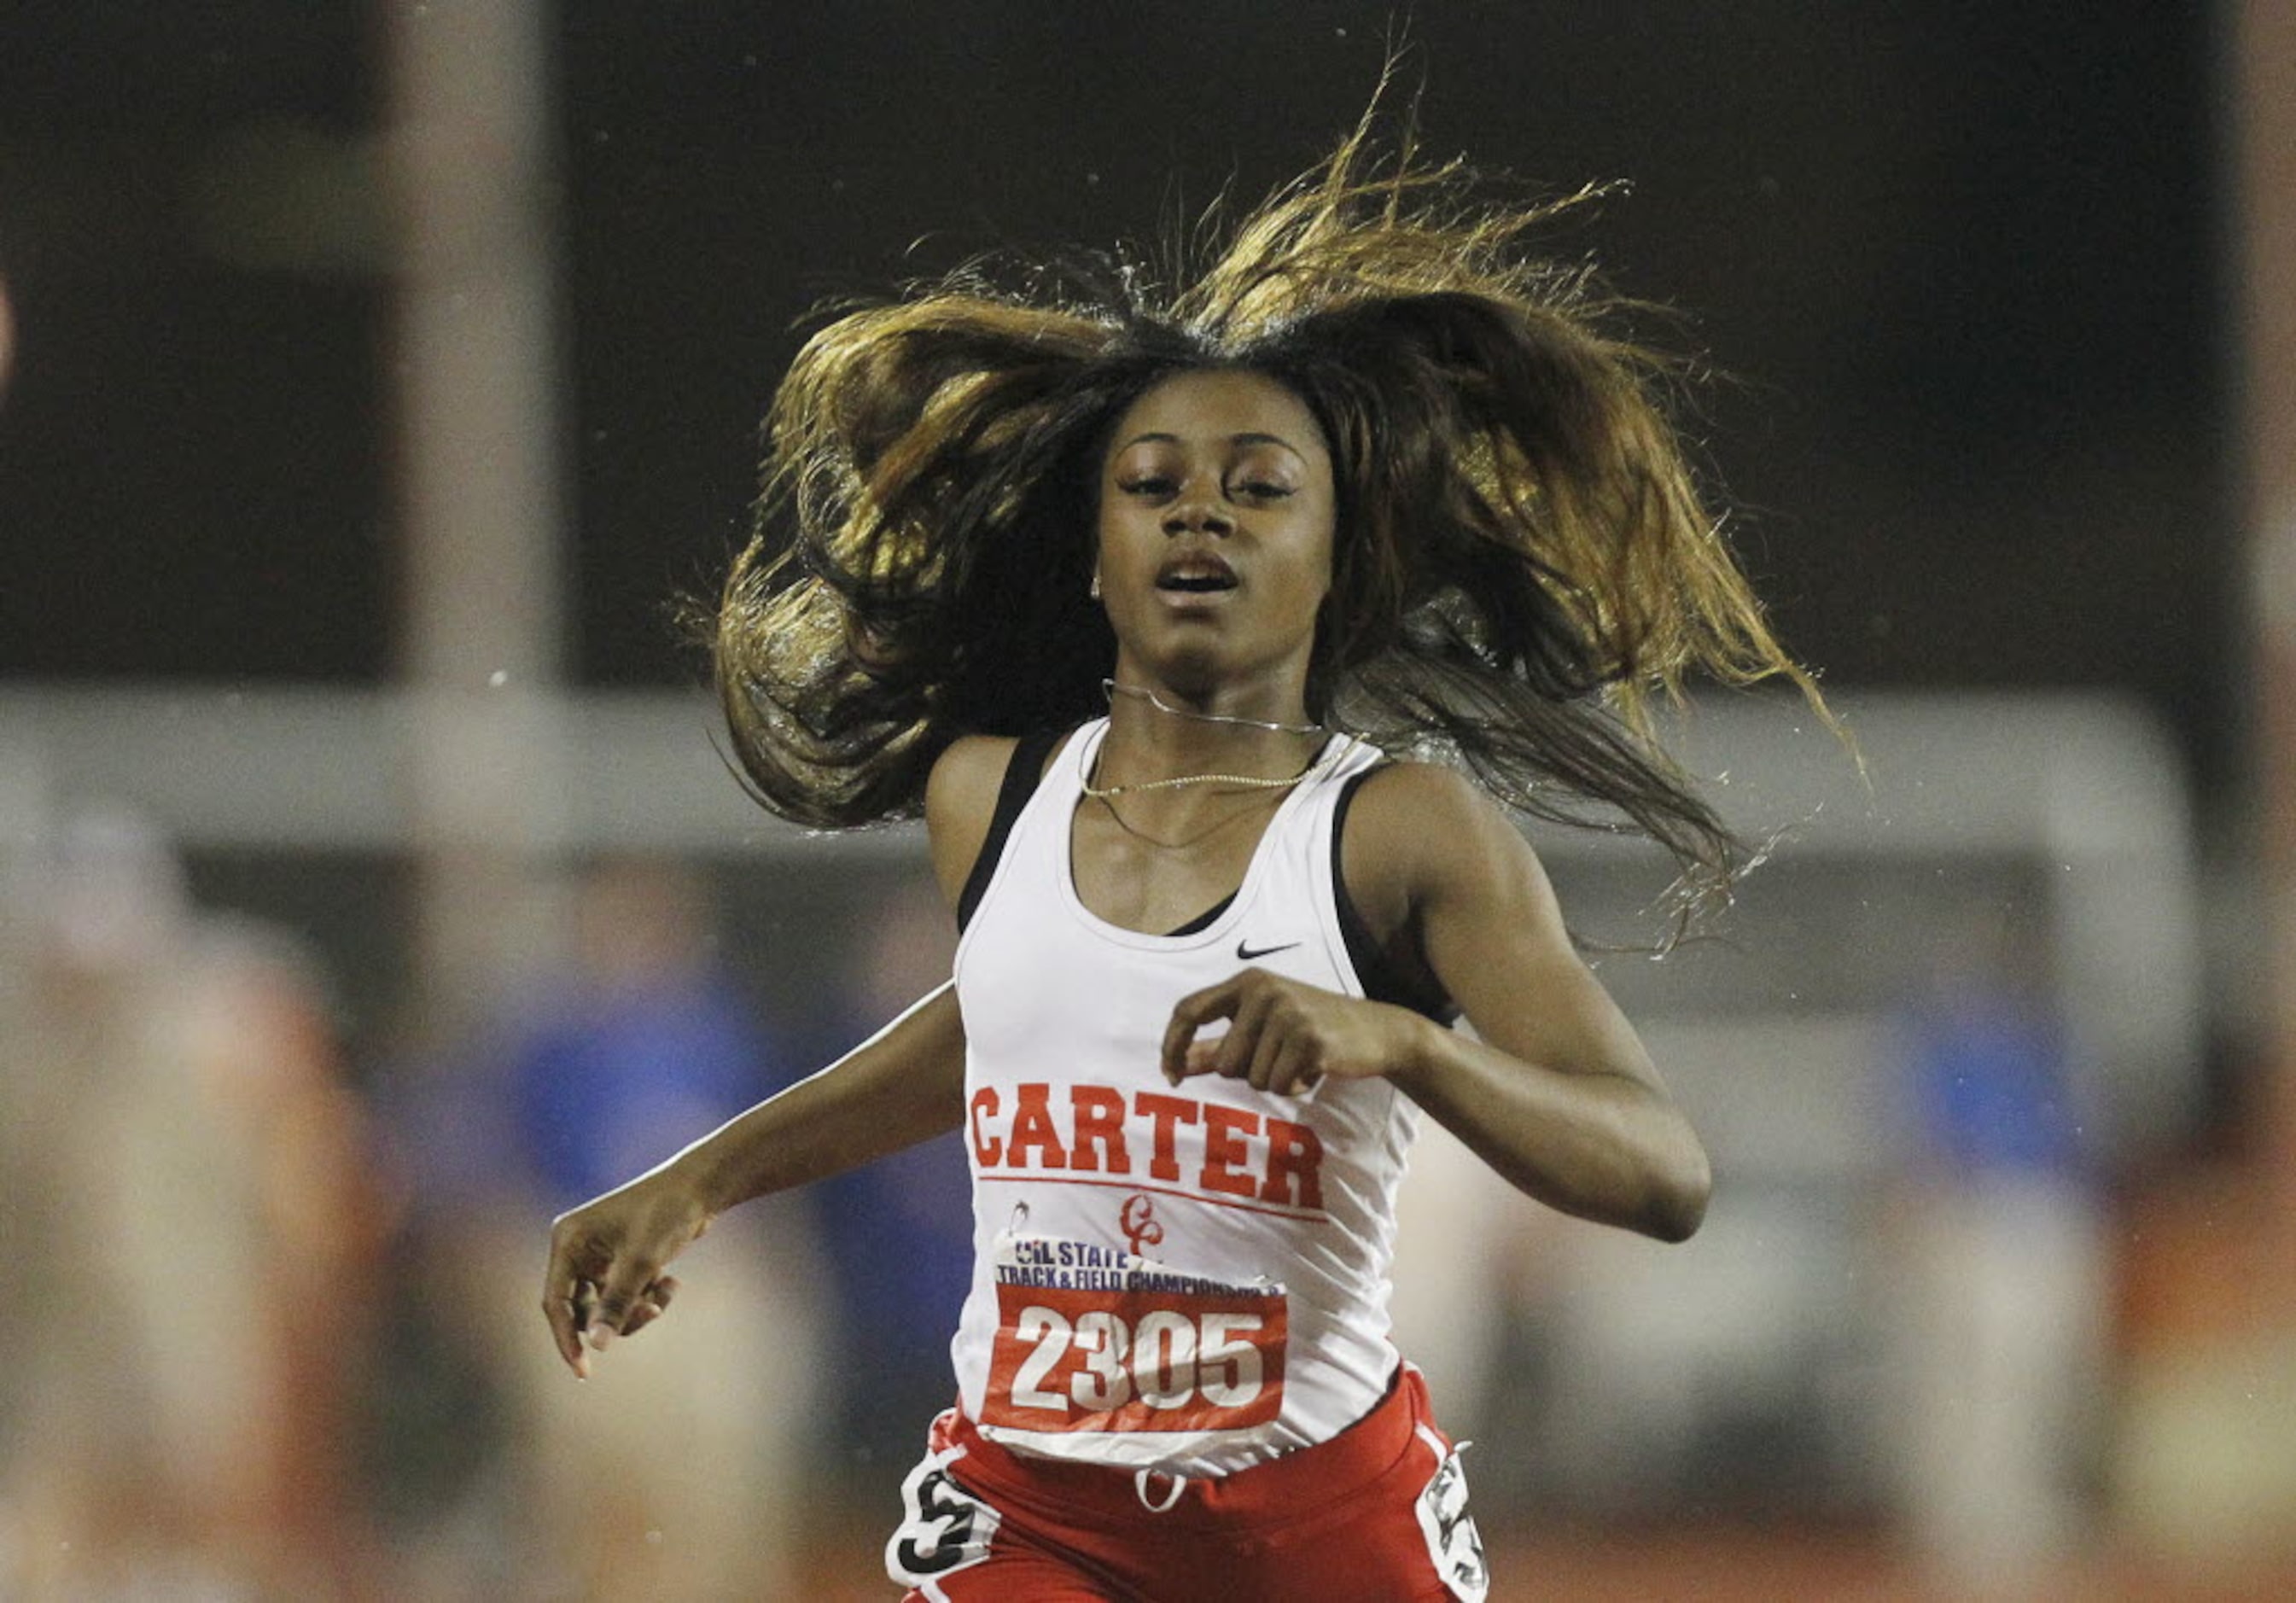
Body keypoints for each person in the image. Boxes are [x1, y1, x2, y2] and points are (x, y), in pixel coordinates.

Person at [542, 103, 1823, 1600]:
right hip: (1038, 1510)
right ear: (1095, 553)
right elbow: (1015, 1026)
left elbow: (1662, 1172)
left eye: (1259, 485)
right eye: (1153, 484)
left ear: (1336, 551)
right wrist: (693, 1181)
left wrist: (1401, 1043)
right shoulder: (990, 796)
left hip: (1320, 1517)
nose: (1199, 508)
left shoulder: (1396, 830)